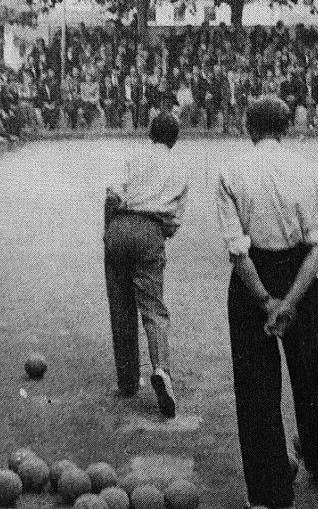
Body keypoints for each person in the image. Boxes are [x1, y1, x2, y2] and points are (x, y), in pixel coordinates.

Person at [216, 97, 318, 509]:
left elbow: (237, 251)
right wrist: (290, 302)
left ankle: (270, 493)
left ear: (248, 128)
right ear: (286, 128)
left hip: (253, 284)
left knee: (256, 389)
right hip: (299, 276)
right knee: (309, 373)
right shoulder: (309, 170)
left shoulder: (231, 171)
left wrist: (268, 302)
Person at [103, 113, 188, 418]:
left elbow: (112, 195)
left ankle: (127, 380)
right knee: (153, 307)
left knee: (121, 305)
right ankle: (161, 369)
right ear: (175, 139)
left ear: (150, 133)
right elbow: (174, 221)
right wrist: (155, 233)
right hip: (151, 229)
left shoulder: (134, 155)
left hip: (120, 225)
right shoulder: (179, 168)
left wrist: (108, 231)